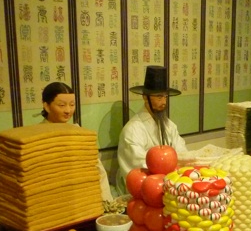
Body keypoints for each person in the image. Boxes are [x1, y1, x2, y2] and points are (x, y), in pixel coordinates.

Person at [116, 66, 188, 194]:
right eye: (159, 97)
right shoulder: (132, 130)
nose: (164, 102)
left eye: (165, 97)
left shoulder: (169, 126)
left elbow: (182, 154)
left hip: (170, 185)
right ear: (145, 97)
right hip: (144, 191)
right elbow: (139, 167)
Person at [40, 82, 113, 202]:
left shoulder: (79, 133)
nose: (68, 110)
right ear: (46, 106)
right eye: (62, 105)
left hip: (82, 198)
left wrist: (106, 202)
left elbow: (98, 171)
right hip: (53, 200)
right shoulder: (38, 137)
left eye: (72, 104)